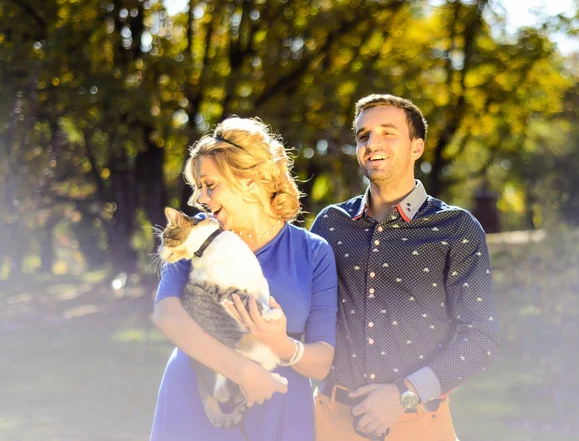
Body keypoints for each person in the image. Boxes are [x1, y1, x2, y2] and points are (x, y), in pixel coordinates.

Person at [311, 94, 499, 441]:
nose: (372, 143)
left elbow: (481, 341)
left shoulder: (456, 228)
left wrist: (403, 394)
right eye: (363, 135)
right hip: (329, 421)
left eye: (388, 132)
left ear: (417, 147)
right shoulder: (330, 224)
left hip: (420, 425)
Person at [150, 117, 338, 441]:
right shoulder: (195, 235)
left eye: (209, 185)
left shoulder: (312, 251)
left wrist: (282, 345)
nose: (200, 199)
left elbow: (321, 362)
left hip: (277, 408)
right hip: (197, 398)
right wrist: (243, 372)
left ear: (250, 181)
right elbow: (166, 314)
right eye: (198, 188)